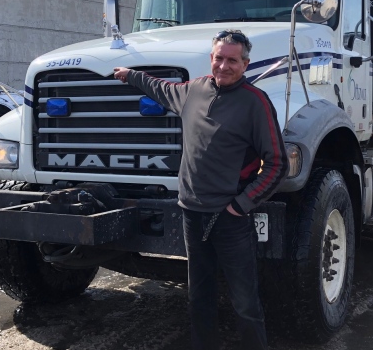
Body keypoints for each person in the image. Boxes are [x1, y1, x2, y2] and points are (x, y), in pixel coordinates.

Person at [113, 29, 288, 350]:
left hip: (230, 220)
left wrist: (242, 205)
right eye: (219, 58)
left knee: (244, 302)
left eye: (232, 60)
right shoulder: (193, 90)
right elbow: (160, 88)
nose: (224, 66)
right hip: (192, 215)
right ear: (211, 59)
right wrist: (130, 75)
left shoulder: (256, 103)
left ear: (245, 64)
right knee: (199, 296)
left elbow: (277, 164)